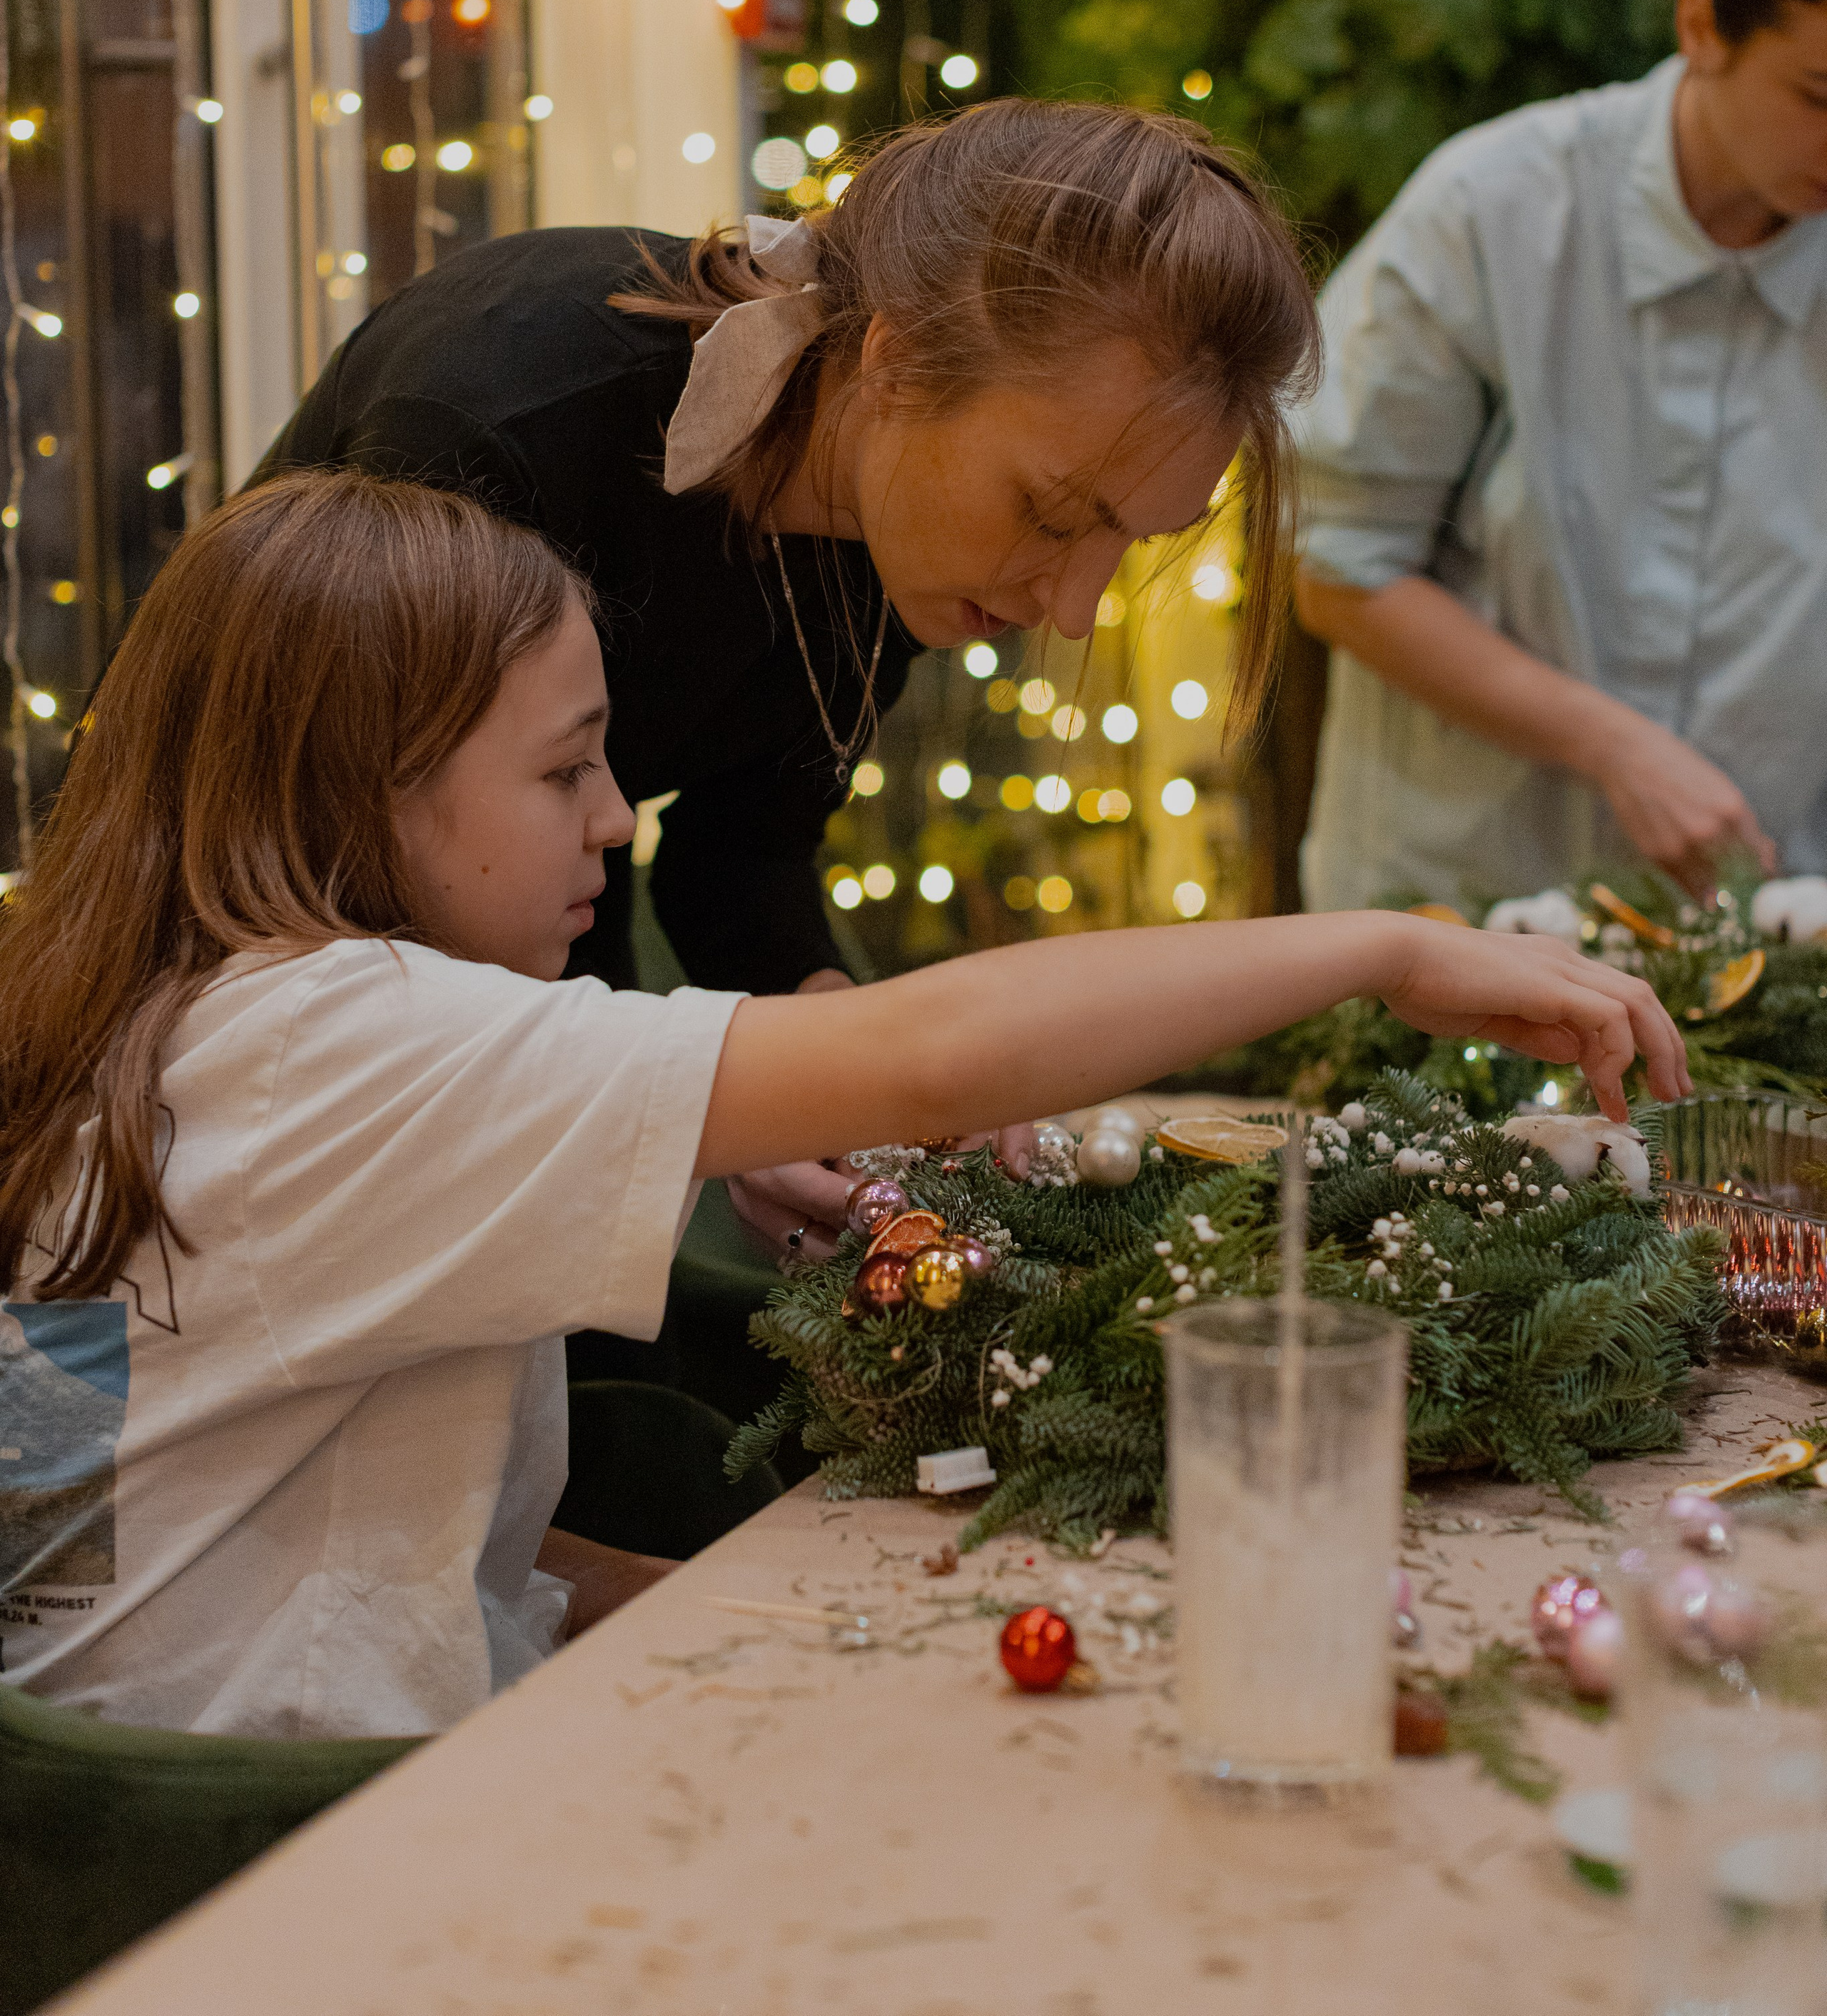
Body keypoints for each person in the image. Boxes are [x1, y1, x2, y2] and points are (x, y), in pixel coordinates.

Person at [0, 473, 1685, 1737]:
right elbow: (937, 1051)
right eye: (564, 765)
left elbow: (364, 1560)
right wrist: (1380, 945)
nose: (615, 822)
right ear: (365, 783)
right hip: (274, 1874)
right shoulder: (344, 1050)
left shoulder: (187, 1026)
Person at [255, 100, 1321, 1262]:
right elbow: (407, 903)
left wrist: (823, 1050)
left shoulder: (900, 534)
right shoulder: (504, 418)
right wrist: (738, 1094)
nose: (1067, 608)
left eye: (1131, 544)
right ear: (896, 366)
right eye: (1054, 515)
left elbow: (739, 862)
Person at [1295, 0, 1827, 915]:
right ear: (1701, 25)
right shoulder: (1490, 210)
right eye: (1820, 98)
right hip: (1451, 936)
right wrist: (1616, 746)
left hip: (1762, 957)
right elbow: (1339, 567)